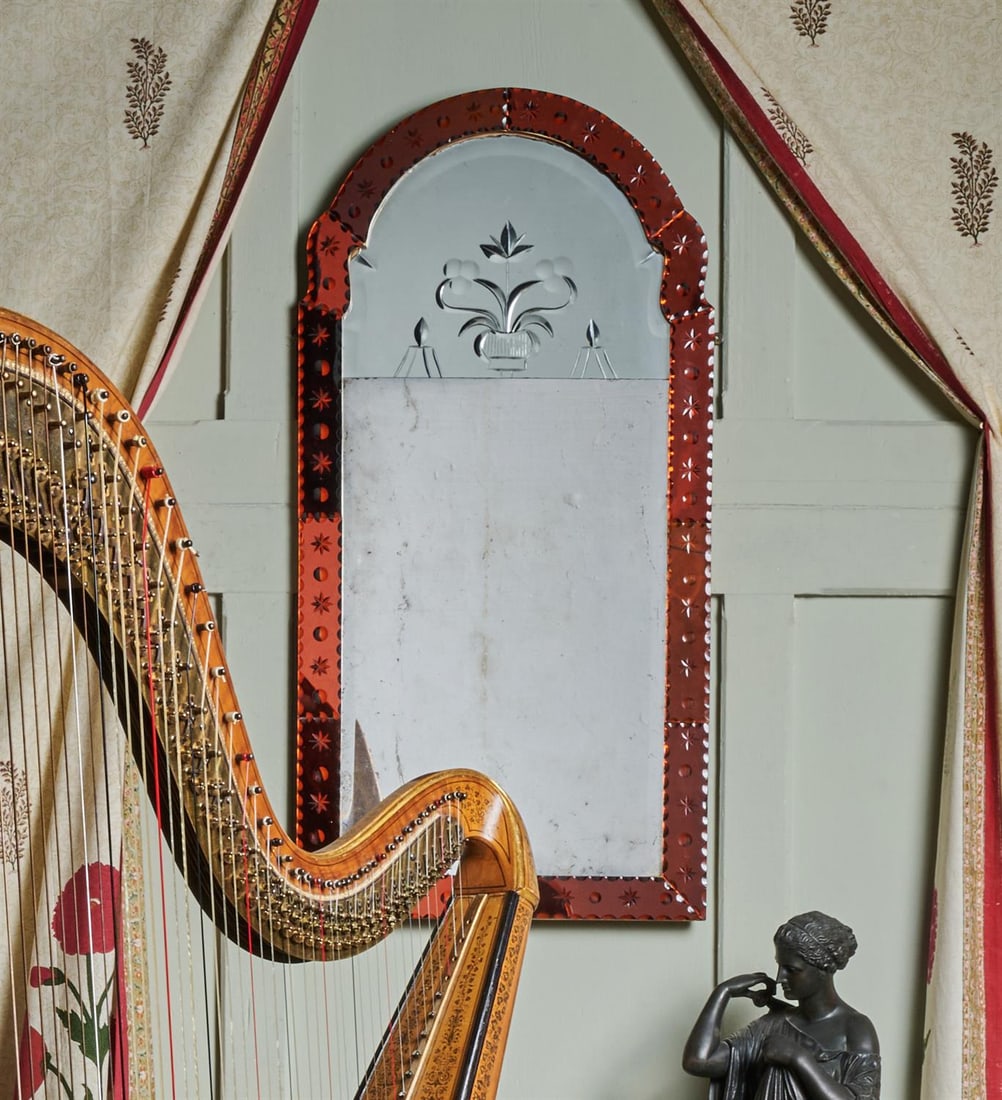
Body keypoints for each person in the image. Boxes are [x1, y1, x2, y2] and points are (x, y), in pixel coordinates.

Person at [682, 911, 880, 1099]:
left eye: (791, 969)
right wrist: (723, 993)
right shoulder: (771, 1025)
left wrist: (799, 1058)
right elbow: (698, 1061)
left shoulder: (856, 1028)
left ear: (822, 968)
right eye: (779, 966)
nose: (779, 978)